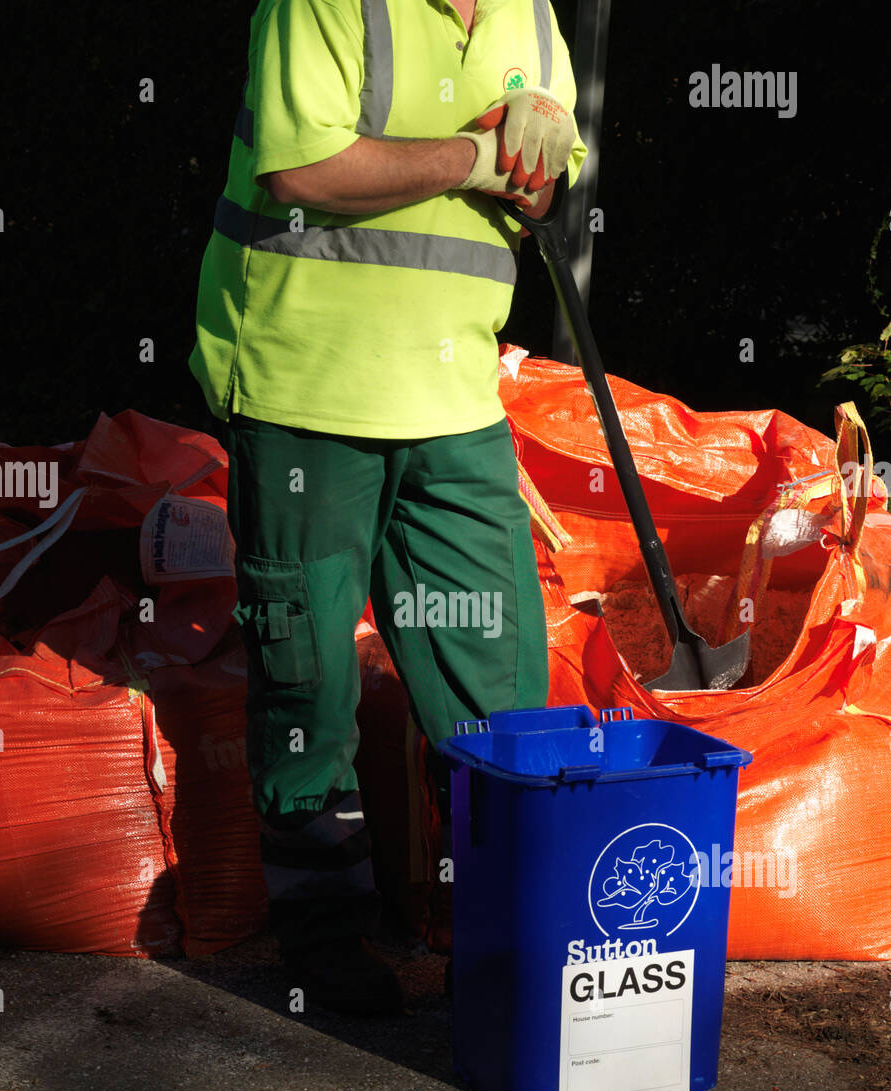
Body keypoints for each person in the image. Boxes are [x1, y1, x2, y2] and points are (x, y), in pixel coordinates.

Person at [189, 0, 586, 1015]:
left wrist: (532, 168)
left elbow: (540, 193)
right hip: (299, 386)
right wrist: (476, 155)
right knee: (305, 672)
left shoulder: (529, 16)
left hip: (453, 399)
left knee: (499, 681)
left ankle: (500, 931)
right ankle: (324, 936)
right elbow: (300, 172)